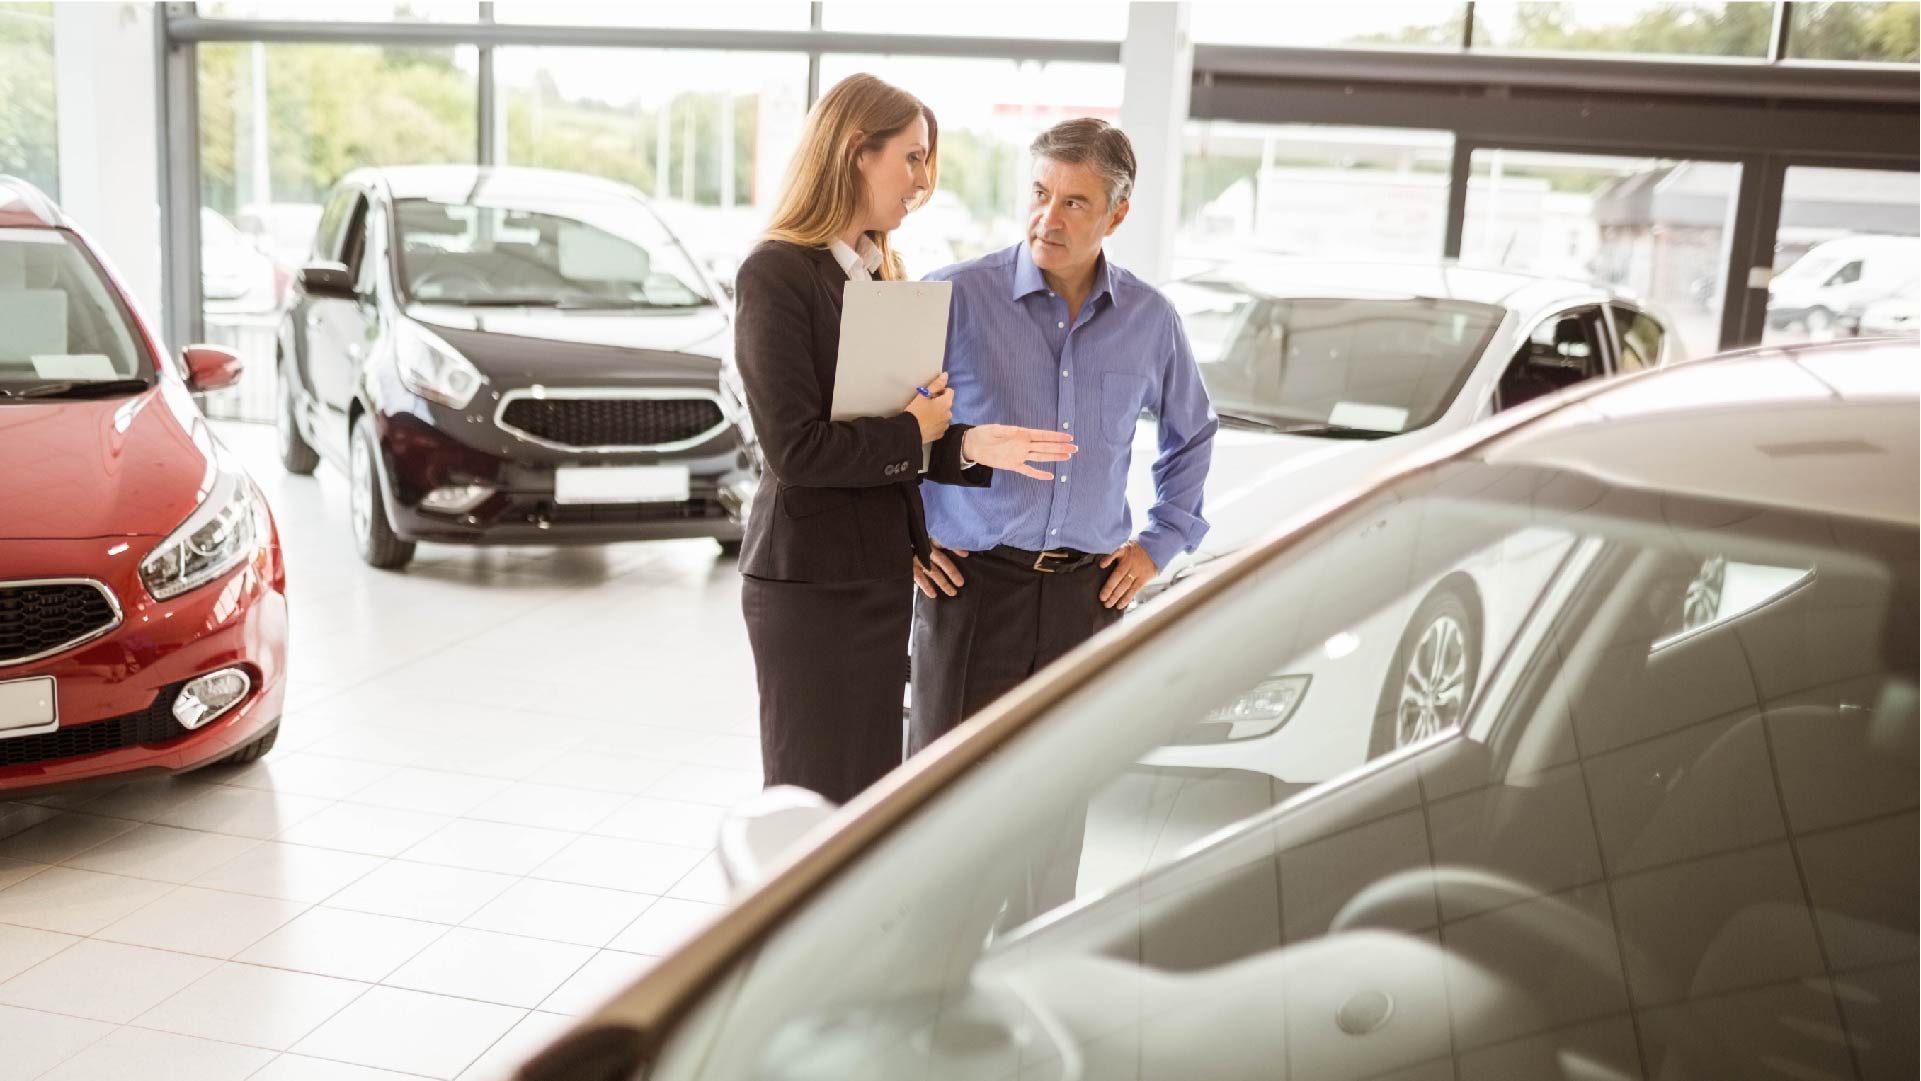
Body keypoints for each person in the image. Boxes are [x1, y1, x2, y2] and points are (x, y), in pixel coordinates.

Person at [732, 74, 1077, 805]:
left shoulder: (881, 273)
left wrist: (970, 446)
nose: (922, 182)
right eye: (912, 158)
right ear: (857, 152)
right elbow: (797, 451)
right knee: (810, 797)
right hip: (810, 584)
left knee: (861, 799)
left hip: (875, 576)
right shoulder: (776, 273)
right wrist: (914, 428)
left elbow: (899, 437)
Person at [908, 118, 1218, 756]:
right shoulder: (952, 294)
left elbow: (1192, 434)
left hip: (1087, 599)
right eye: (1040, 193)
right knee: (940, 812)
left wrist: (1158, 543)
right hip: (971, 591)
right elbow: (886, 427)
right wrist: (902, 532)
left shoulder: (1150, 318)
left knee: (1057, 802)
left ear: (1117, 213)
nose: (1048, 217)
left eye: (1074, 201)